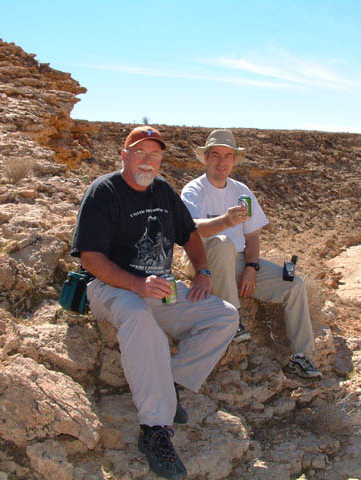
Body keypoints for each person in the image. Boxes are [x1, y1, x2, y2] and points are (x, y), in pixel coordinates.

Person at [71, 126, 239, 479]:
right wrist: (136, 284)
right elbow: (90, 259)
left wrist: (203, 272)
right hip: (112, 287)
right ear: (124, 155)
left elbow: (190, 233)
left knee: (224, 316)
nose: (148, 160)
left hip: (161, 288)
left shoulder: (162, 191)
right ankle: (154, 430)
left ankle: (169, 383)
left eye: (155, 154)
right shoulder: (104, 192)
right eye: (140, 152)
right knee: (139, 320)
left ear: (162, 159)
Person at [180, 129, 321, 380]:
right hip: (202, 262)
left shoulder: (241, 191)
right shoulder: (194, 190)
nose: (221, 162)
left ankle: (302, 357)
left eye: (227, 156)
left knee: (295, 286)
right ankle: (233, 319)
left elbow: (252, 235)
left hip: (239, 262)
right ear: (205, 158)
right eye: (215, 155)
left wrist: (251, 268)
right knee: (222, 242)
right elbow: (191, 230)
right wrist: (225, 221)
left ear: (234, 160)